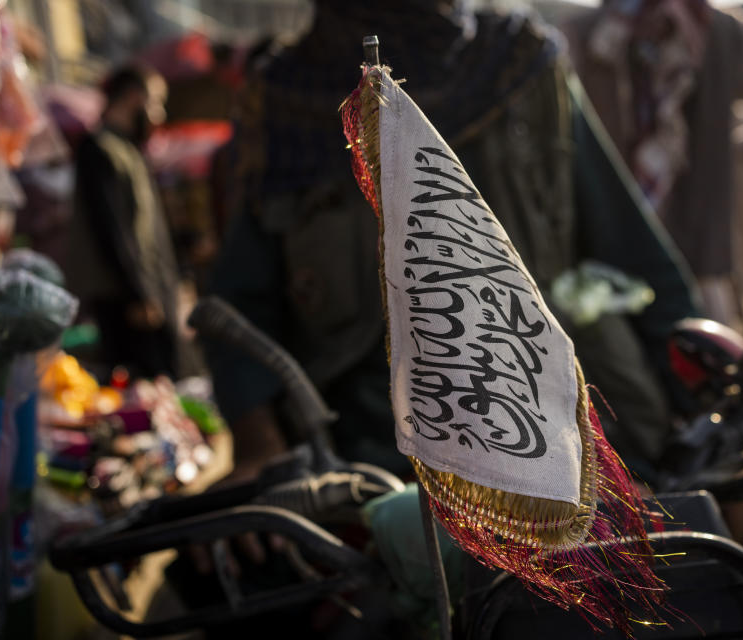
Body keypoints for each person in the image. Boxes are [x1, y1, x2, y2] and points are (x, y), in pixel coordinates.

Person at [206, 0, 700, 486]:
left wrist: (706, 408)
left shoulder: (520, 65)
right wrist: (259, 444)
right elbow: (238, 307)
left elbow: (630, 248)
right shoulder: (281, 104)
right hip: (380, 468)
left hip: (565, 442)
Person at [562, 1, 743, 329]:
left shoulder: (587, 34)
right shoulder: (716, 30)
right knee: (705, 364)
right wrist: (742, 151)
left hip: (614, 264)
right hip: (676, 267)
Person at [67, 64, 180, 378]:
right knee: (139, 384)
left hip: (143, 291)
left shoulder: (127, 149)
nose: (159, 114)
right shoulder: (99, 150)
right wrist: (138, 294)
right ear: (134, 98)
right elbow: (111, 229)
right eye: (155, 102)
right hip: (124, 299)